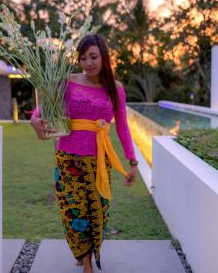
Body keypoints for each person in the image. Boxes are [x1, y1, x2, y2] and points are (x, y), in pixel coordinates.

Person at [30, 34, 138, 273]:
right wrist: (34, 119)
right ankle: (86, 262)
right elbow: (44, 106)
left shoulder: (115, 88)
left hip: (100, 161)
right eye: (83, 58)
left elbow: (121, 126)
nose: (88, 63)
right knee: (74, 211)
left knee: (98, 211)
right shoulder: (67, 81)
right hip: (68, 158)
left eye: (93, 57)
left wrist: (132, 162)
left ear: (104, 57)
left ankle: (84, 251)